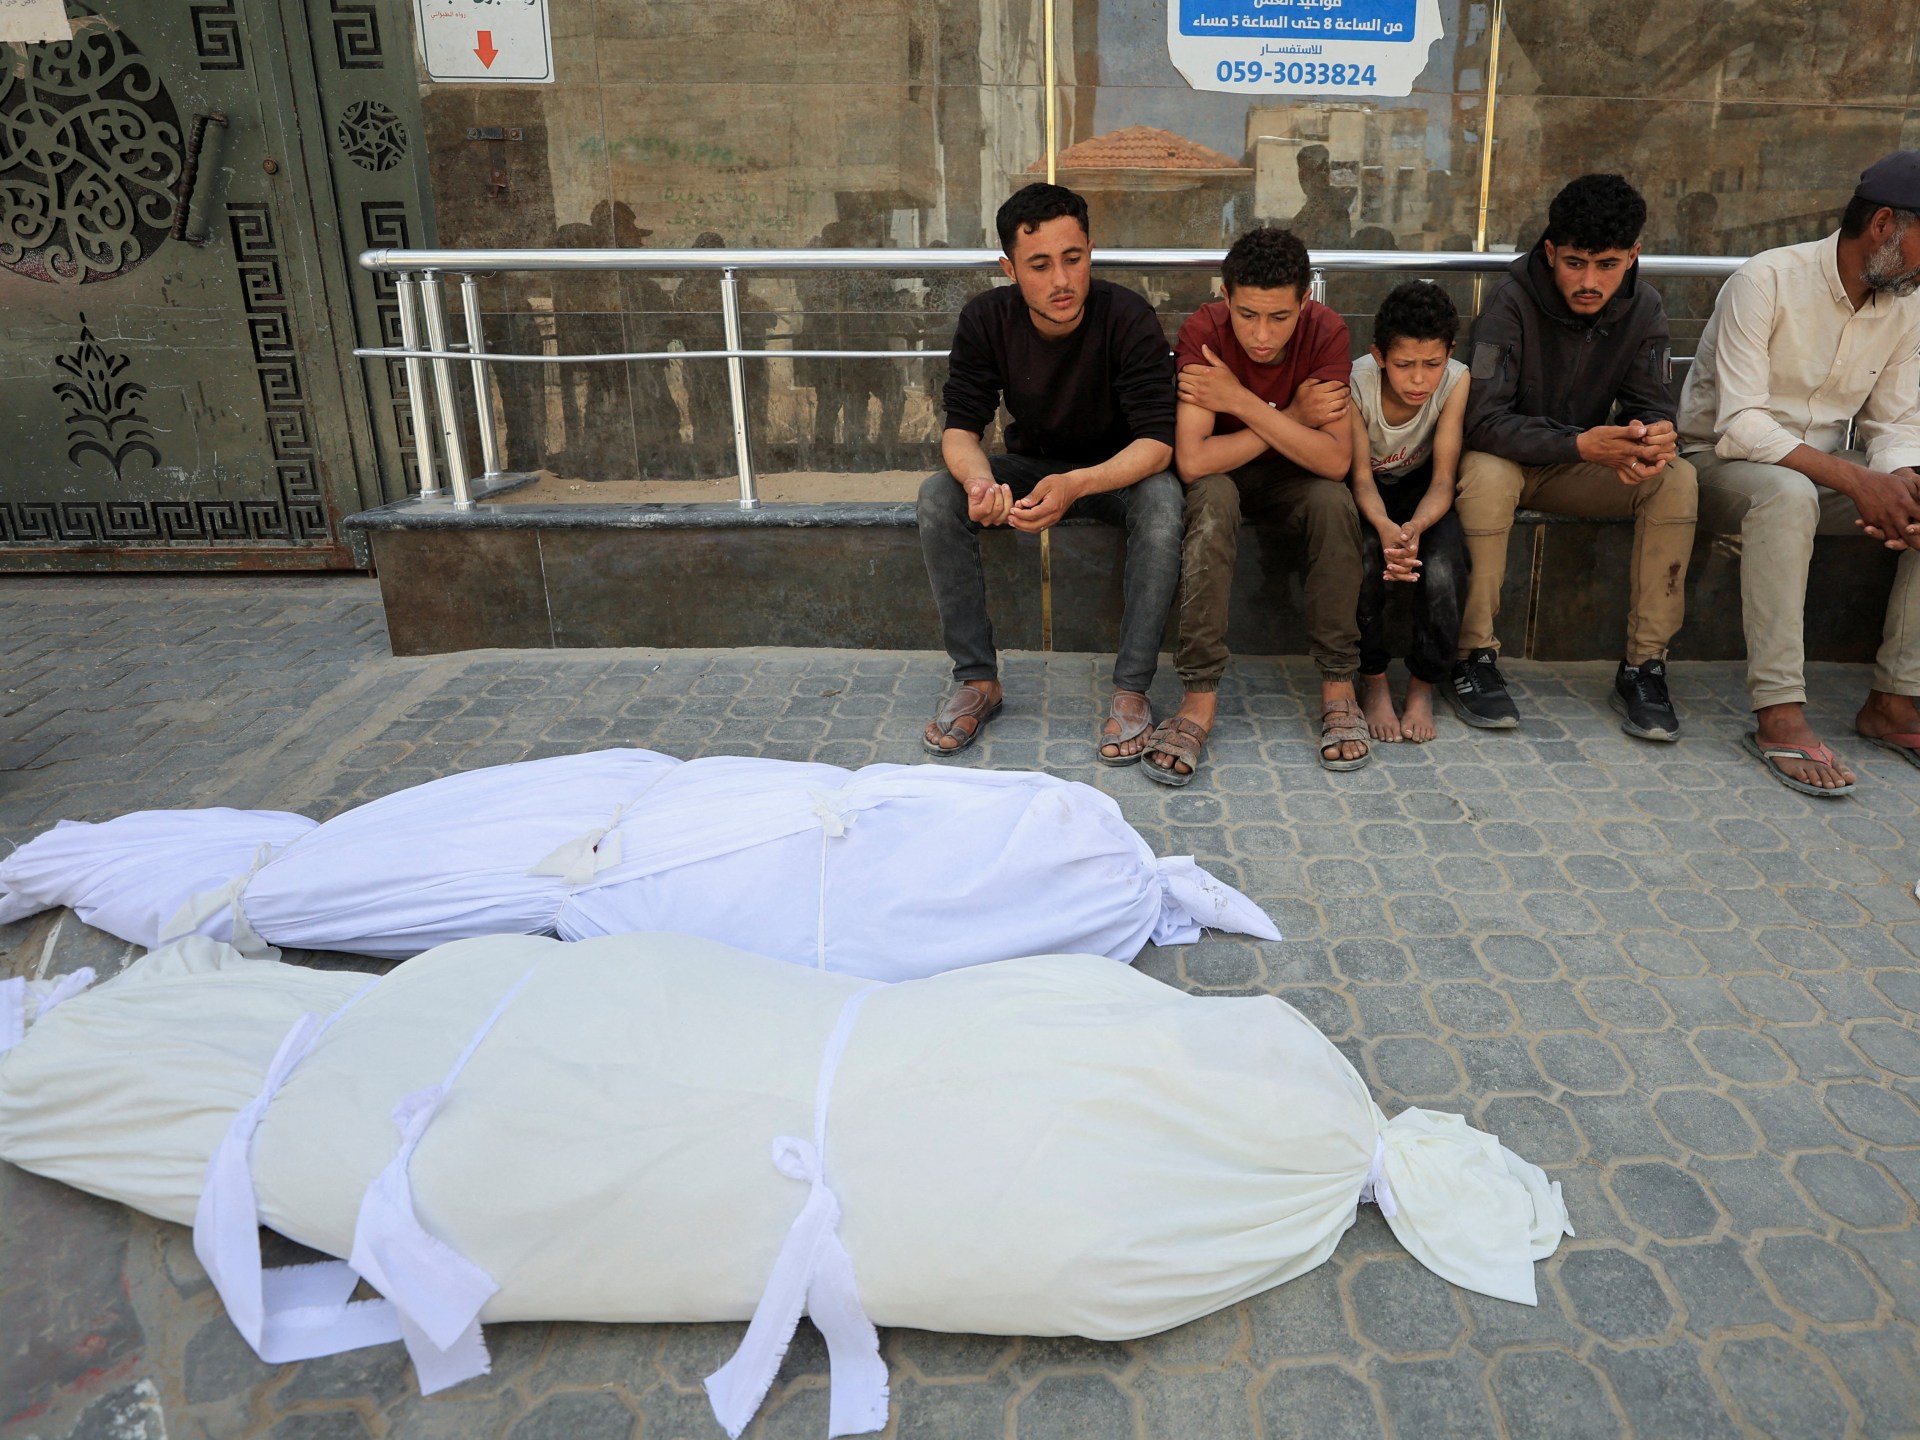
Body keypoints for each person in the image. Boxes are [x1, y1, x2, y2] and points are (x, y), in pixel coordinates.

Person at [1679, 150, 1920, 797]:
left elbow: (1895, 422)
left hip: (1824, 473)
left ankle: (1894, 700)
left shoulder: (1906, 303)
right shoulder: (1766, 279)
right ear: (1884, 225)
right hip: (1718, 462)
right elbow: (1741, 424)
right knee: (1788, 495)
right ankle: (1779, 710)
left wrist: (1902, 482)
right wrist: (1859, 482)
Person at [917, 183, 1182, 760]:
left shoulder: (1127, 316)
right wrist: (979, 484)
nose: (1062, 280)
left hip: (1116, 472)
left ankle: (1131, 690)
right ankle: (977, 679)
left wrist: (1079, 483)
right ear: (1010, 269)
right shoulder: (986, 319)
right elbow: (961, 429)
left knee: (1164, 500)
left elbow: (1158, 443)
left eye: (1073, 258)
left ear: (1090, 252)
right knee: (938, 495)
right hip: (1032, 464)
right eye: (1040, 265)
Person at [1451, 173, 1698, 739]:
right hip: (1507, 460)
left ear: (1633, 255)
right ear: (1550, 252)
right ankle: (1471, 658)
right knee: (1486, 477)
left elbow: (1653, 404)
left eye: (1607, 264)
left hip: (1582, 463)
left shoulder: (1645, 307)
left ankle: (1644, 667)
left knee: (1676, 479)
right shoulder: (1509, 301)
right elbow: (1482, 422)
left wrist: (1653, 437)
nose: (1589, 281)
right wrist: (1580, 443)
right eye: (1575, 263)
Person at [1145, 226, 1363, 786]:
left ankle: (1339, 687)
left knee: (1334, 502)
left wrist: (1240, 401)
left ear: (1304, 302)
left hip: (1299, 479)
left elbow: (1335, 460)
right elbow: (1194, 461)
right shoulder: (1203, 332)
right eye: (1247, 315)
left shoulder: (1327, 331)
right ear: (1225, 296)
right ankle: (1199, 696)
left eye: (1279, 317)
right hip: (1224, 477)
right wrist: (1293, 418)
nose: (1262, 335)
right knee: (1212, 499)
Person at [1349, 281, 1472, 744]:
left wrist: (1416, 527)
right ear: (1380, 356)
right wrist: (1384, 527)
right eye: (1404, 365)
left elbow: (1443, 479)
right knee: (1364, 560)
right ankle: (1373, 680)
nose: (1419, 380)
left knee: (1442, 567)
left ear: (1449, 354)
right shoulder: (1356, 383)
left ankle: (1423, 685)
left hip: (1424, 494)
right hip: (1369, 494)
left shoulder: (1456, 381)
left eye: (1432, 364)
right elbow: (1361, 478)